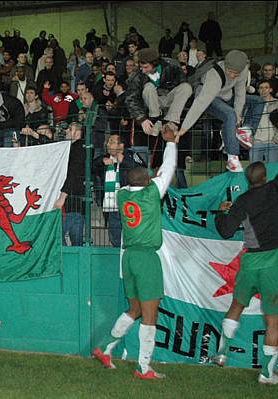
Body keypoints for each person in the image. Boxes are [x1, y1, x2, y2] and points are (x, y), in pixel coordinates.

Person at [211, 127, 278, 385]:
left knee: (236, 307)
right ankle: (266, 373)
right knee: (272, 320)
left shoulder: (242, 201)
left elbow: (226, 231)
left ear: (249, 181)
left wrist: (221, 213)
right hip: (272, 265)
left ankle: (221, 352)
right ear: (265, 177)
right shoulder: (277, 189)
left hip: (249, 264)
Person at [93, 127, 177, 379]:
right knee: (150, 314)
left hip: (126, 257)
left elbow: (140, 179)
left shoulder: (121, 195)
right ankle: (144, 366)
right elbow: (169, 169)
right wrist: (170, 143)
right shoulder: (152, 193)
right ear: (148, 181)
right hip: (145, 257)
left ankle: (106, 348)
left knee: (135, 309)